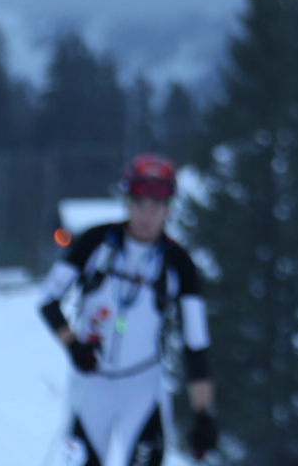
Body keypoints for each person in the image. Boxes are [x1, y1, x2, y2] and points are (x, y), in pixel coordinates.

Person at [38, 154, 220, 466]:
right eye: (139, 204)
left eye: (156, 206)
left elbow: (196, 344)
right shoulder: (94, 242)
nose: (147, 215)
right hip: (91, 387)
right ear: (127, 202)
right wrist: (74, 346)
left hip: (143, 390)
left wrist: (204, 415)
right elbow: (48, 301)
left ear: (168, 208)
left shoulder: (179, 264)